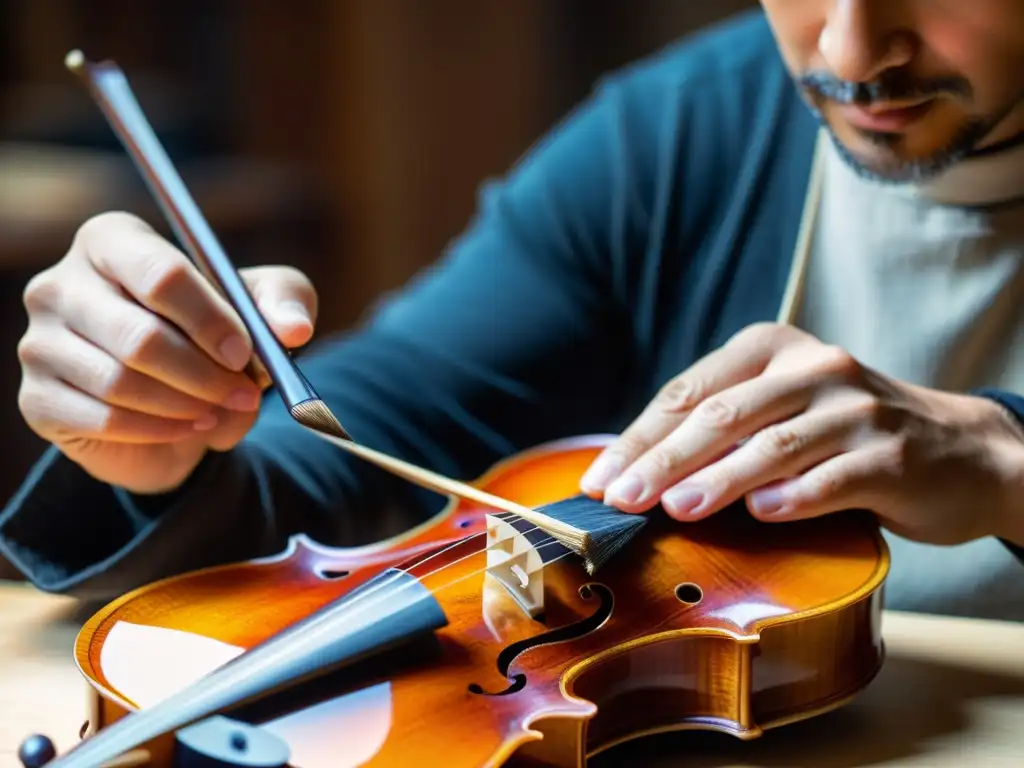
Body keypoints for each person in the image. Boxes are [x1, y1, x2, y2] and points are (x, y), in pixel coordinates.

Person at [1, 2, 1023, 620]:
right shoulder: (678, 131)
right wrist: (160, 440)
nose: (849, 48)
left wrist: (1001, 463)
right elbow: (381, 438)